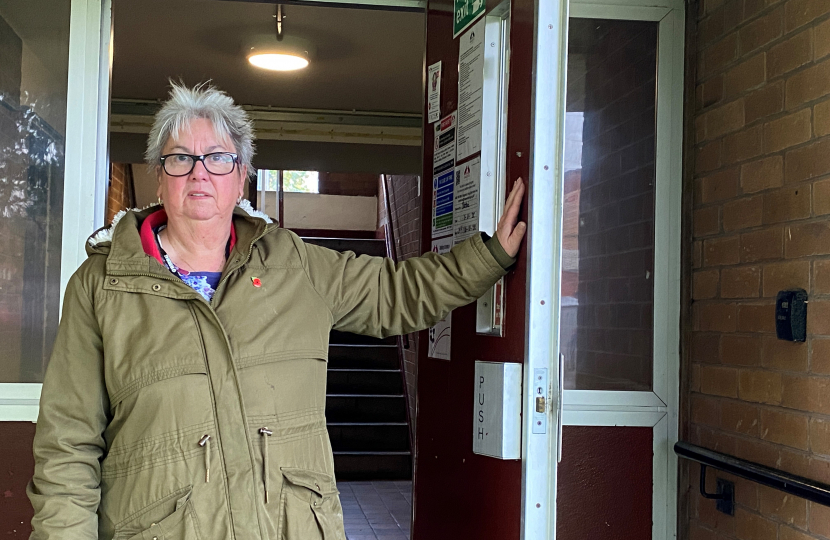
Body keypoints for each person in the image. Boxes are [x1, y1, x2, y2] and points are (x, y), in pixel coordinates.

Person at [27, 83, 526, 540]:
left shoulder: (295, 266)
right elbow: (67, 448)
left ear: (241, 177)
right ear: (160, 178)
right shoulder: (101, 286)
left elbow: (397, 293)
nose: (199, 171)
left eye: (218, 158)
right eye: (180, 158)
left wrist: (490, 256)